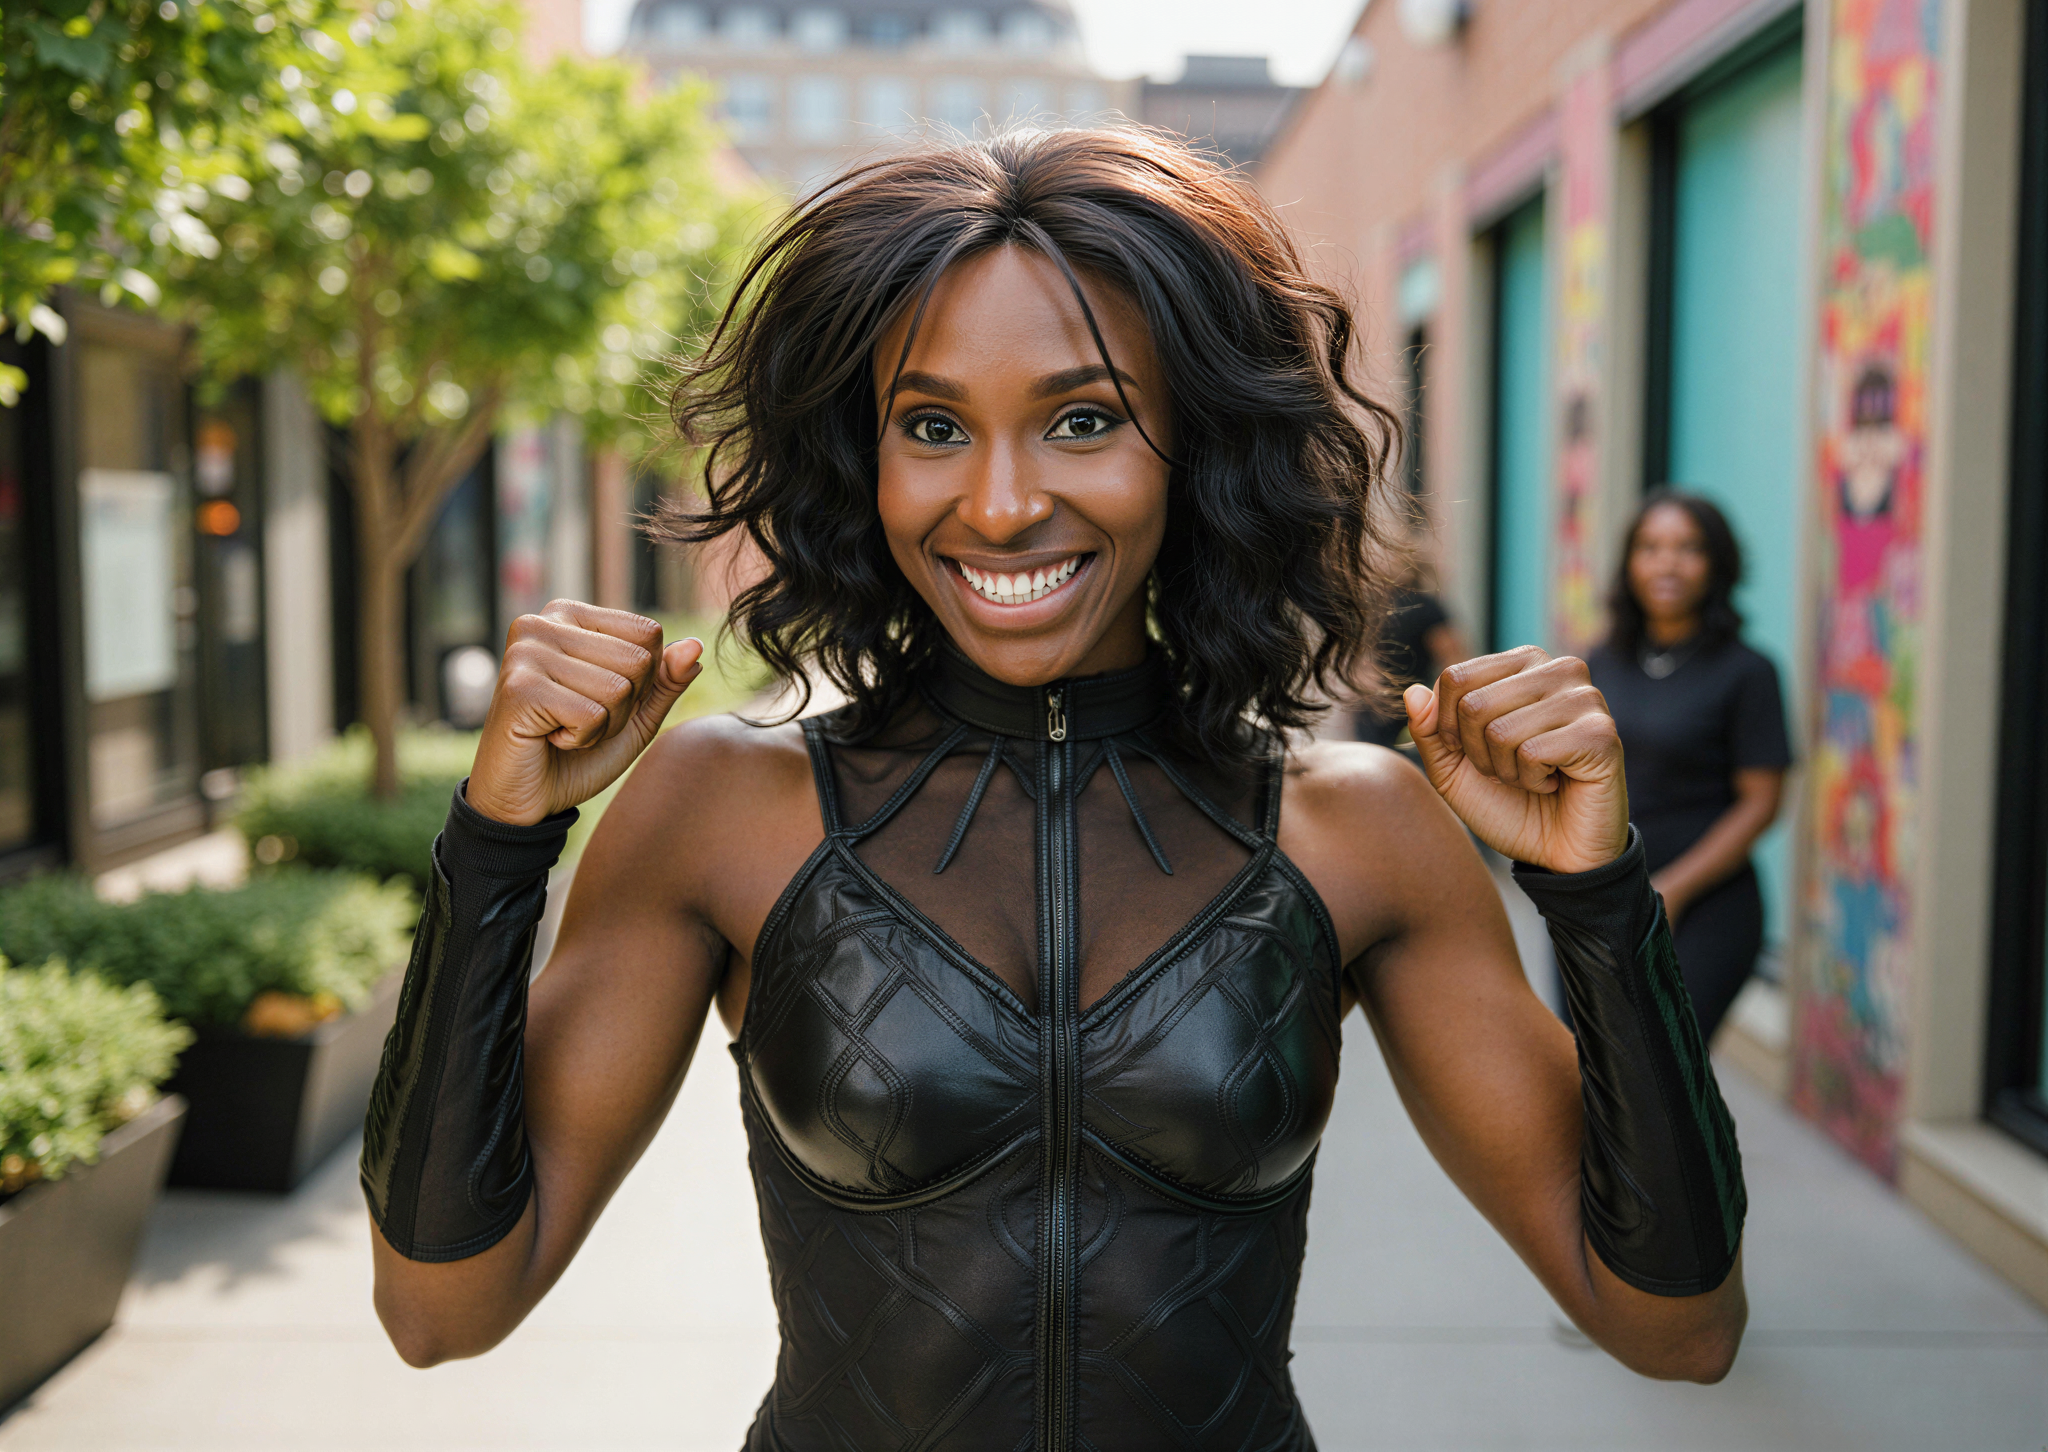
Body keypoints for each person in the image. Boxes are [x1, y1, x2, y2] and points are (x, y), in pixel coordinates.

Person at [359, 127, 1748, 1449]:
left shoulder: (1358, 830)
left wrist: (1599, 899)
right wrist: (497, 848)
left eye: (1082, 420)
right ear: (867, 459)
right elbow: (441, 1308)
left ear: (1197, 446)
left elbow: (1674, 1328)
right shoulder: (724, 809)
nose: (1006, 501)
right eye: (934, 425)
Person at [1587, 490, 1791, 1045]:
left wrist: (1673, 889)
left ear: (1716, 564)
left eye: (1688, 548)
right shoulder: (1598, 662)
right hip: (1607, 901)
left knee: (1669, 1077)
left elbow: (1762, 802)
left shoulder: (1748, 672)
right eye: (1650, 547)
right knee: (1592, 1069)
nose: (1667, 563)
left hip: (1706, 904)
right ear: (1630, 563)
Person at [1354, 580, 1470, 746]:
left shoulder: (1422, 606)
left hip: (1412, 719)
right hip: (1374, 720)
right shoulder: (1365, 605)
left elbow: (1455, 662)